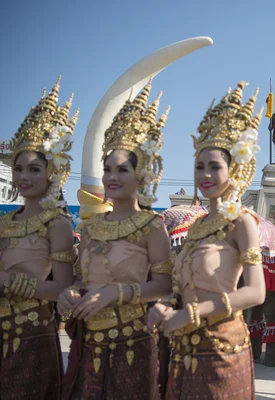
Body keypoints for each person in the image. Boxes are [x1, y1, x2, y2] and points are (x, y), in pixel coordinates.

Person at [148, 82, 266, 399]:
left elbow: (256, 292)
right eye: (200, 166)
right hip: (182, 348)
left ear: (235, 169)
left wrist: (194, 313)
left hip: (221, 349)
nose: (206, 175)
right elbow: (182, 284)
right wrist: (165, 305)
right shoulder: (197, 224)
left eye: (215, 166)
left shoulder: (241, 222)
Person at [59, 82, 173, 399]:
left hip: (133, 341)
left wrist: (116, 293)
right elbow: (82, 279)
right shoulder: (92, 227)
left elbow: (164, 286)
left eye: (122, 170)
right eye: (107, 169)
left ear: (142, 175)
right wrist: (69, 292)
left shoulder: (151, 225)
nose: (112, 177)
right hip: (90, 341)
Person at [0, 78, 78, 398]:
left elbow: (63, 288)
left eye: (34, 169)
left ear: (51, 172)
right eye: (19, 169)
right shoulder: (5, 221)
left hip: (33, 335)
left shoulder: (56, 223)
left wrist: (10, 282)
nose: (23, 177)